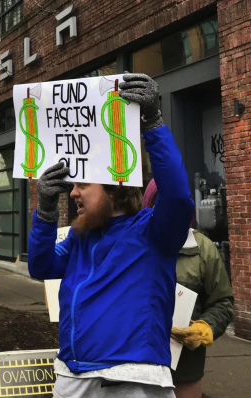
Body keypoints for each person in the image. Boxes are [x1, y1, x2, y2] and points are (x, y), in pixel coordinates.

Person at [28, 73, 195, 398]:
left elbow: (176, 197)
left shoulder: (152, 232)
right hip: (72, 375)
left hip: (132, 379)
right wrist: (45, 210)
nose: (72, 193)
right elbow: (41, 266)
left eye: (83, 185)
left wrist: (153, 123)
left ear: (115, 189)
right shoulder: (80, 237)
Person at [143, 179, 234, 398]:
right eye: (160, 202)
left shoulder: (204, 249)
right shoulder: (134, 246)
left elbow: (222, 303)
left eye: (176, 203)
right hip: (139, 365)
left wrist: (205, 328)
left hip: (185, 368)